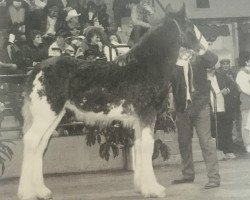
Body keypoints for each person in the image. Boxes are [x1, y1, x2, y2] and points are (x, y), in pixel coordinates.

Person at [171, 48, 220, 189]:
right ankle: (187, 174)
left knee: (206, 141)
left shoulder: (199, 58)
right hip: (182, 107)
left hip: (201, 105)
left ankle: (214, 178)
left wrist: (200, 49)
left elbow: (213, 59)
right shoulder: (174, 63)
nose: (182, 49)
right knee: (183, 141)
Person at [208, 59, 238, 159]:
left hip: (223, 107)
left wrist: (228, 89)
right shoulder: (202, 78)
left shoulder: (221, 75)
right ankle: (218, 152)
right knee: (214, 131)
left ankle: (228, 151)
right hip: (210, 108)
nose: (211, 70)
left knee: (226, 130)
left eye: (212, 67)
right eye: (208, 68)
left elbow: (233, 84)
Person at [236, 53, 250, 153]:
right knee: (246, 124)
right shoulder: (241, 74)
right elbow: (246, 89)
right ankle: (248, 144)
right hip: (246, 101)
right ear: (247, 61)